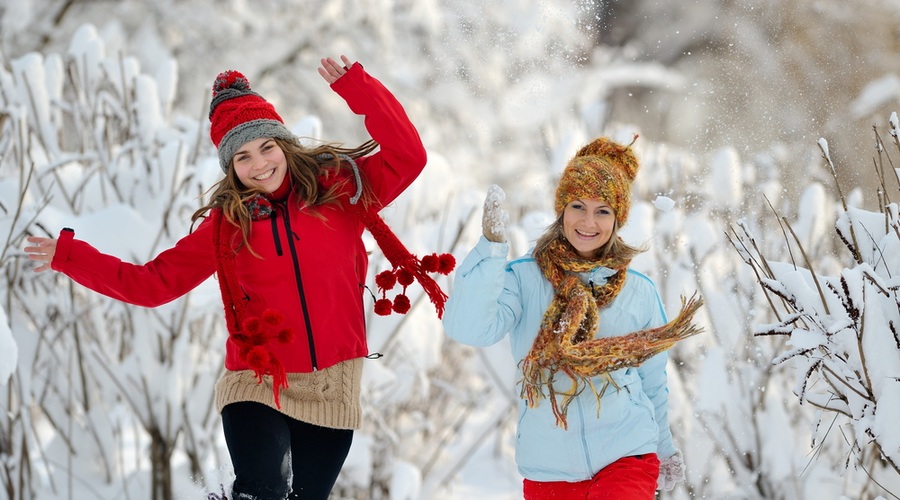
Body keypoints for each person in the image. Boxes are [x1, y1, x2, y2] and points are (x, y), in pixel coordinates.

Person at [25, 55, 453, 500]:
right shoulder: (229, 226)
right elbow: (152, 284)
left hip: (332, 383)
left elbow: (409, 155)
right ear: (231, 167)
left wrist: (358, 88)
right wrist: (71, 256)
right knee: (262, 489)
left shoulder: (340, 190)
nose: (260, 164)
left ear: (285, 143)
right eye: (243, 156)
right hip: (257, 379)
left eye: (267, 147)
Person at [442, 136, 703, 499]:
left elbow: (652, 381)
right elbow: (467, 328)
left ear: (618, 218)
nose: (588, 221)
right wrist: (490, 248)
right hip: (549, 466)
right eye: (578, 205)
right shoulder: (525, 279)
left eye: (603, 210)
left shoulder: (638, 291)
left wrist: (663, 447)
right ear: (561, 210)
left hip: (626, 454)